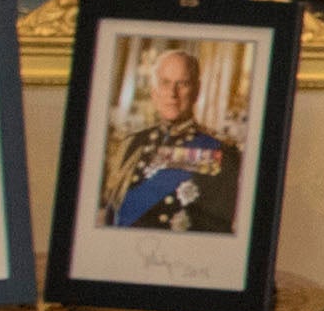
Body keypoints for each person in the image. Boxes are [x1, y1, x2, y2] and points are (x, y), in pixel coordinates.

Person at [97, 45, 245, 232]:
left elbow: (217, 228)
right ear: (154, 91)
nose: (172, 94)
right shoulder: (132, 143)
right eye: (165, 83)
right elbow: (112, 213)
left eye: (182, 84)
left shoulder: (221, 152)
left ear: (196, 91)